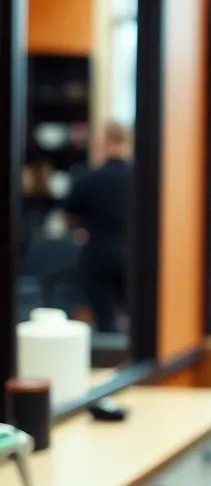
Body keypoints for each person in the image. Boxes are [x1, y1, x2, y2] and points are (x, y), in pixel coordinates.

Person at [64, 123, 132, 332]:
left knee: (104, 318)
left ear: (104, 143)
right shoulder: (143, 180)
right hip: (135, 255)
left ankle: (109, 359)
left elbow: (68, 218)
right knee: (138, 317)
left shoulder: (88, 179)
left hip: (99, 254)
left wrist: (83, 228)